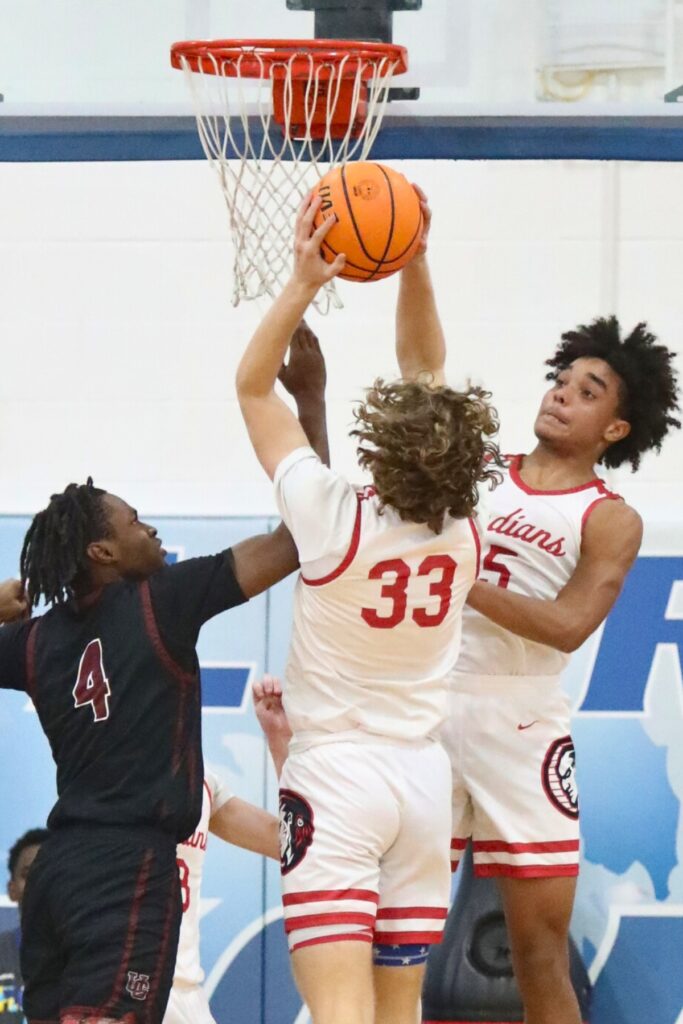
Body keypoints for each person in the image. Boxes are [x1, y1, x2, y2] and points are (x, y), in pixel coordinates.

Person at [0, 331, 328, 1024]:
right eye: (136, 522)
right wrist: (311, 402)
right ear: (102, 551)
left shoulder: (33, 642)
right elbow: (303, 536)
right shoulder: (161, 601)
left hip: (57, 872)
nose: (151, 532)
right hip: (127, 870)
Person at [235, 192, 501, 1024]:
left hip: (338, 776)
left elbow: (252, 389)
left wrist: (302, 283)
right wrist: (413, 261)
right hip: (422, 784)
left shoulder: (332, 517)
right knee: (396, 1012)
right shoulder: (466, 533)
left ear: (380, 450)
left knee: (339, 1011)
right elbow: (427, 372)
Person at [420, 317, 679, 1024]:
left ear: (615, 429)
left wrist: (463, 581)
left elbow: (569, 624)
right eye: (561, 381)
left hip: (521, 718)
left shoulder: (607, 517)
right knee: (394, 935)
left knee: (537, 951)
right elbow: (422, 368)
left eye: (587, 391)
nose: (562, 394)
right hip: (429, 705)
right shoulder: (476, 471)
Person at [164, 765, 279, 1024]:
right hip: (123, 985)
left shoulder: (202, 779)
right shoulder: (106, 772)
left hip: (186, 991)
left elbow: (286, 841)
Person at [0, 829, 49, 1021]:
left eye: (49, 872)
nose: (39, 882)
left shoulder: (92, 959)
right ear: (12, 889)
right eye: (28, 874)